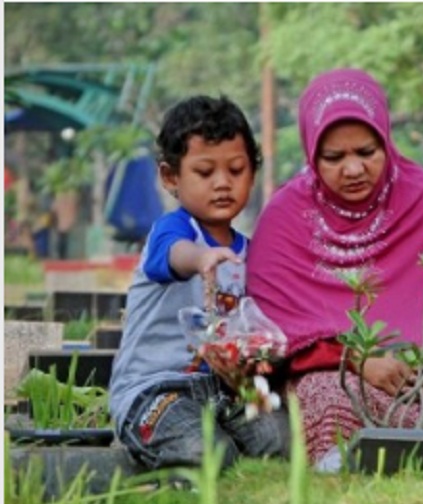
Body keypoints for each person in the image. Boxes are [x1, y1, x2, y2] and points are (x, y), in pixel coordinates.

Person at [246, 68, 423, 471]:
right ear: (312, 153)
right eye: (334, 157)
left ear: (386, 140)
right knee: (323, 396)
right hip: (340, 378)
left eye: (366, 152)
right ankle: (342, 473)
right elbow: (275, 332)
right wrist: (358, 362)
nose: (353, 170)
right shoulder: (285, 218)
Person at [110, 96, 290, 471]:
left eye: (236, 170)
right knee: (207, 451)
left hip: (231, 389)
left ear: (252, 173)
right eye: (205, 173)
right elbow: (172, 256)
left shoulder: (252, 254)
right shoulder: (172, 233)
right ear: (170, 177)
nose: (223, 184)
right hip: (156, 391)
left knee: (281, 439)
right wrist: (201, 257)